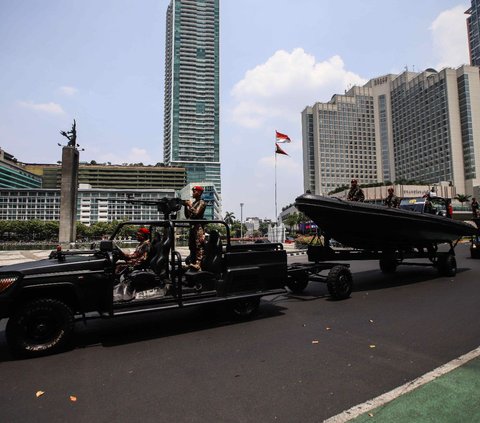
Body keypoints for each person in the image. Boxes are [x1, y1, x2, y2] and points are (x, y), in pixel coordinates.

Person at [184, 186, 206, 271]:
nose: (193, 193)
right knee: (192, 246)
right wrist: (186, 207)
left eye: (195, 191)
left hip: (198, 227)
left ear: (199, 193)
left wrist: (189, 205)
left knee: (199, 245)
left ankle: (198, 264)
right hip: (192, 227)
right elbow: (187, 216)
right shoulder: (194, 203)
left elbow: (196, 213)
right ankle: (192, 262)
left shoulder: (202, 202)